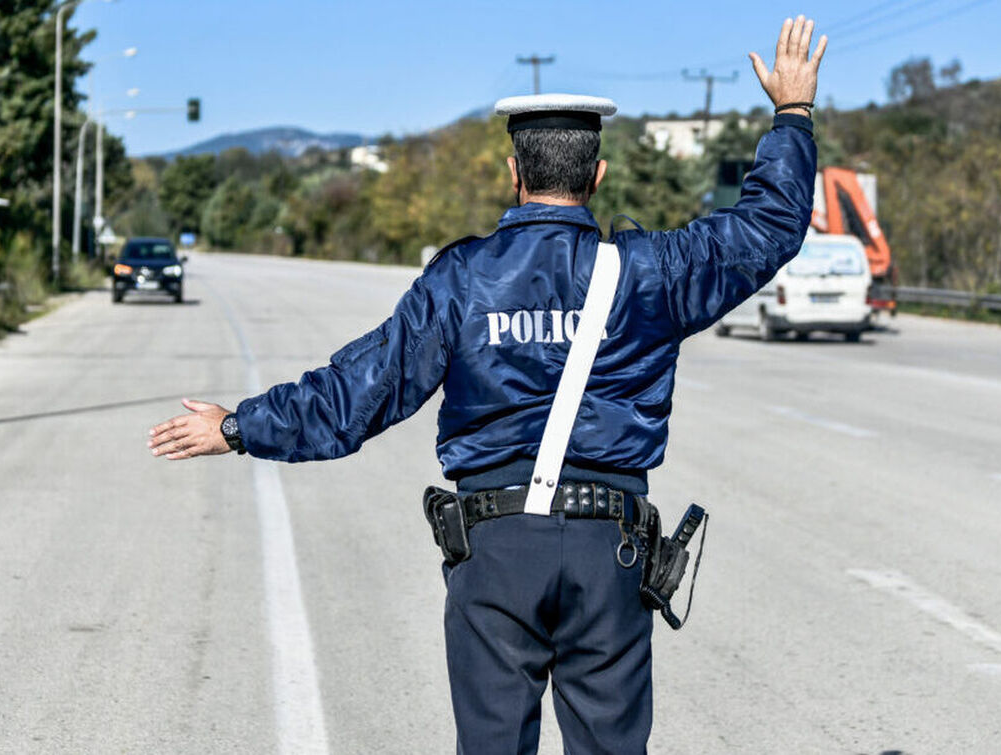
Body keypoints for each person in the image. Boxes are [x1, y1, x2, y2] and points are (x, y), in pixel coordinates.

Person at [148, 15, 826, 754]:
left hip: (496, 550)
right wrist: (791, 113)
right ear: (598, 174)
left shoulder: (463, 278)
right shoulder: (651, 272)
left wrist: (239, 425)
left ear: (515, 173)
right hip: (612, 554)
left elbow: (360, 390)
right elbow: (770, 227)